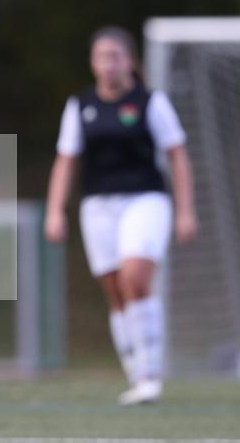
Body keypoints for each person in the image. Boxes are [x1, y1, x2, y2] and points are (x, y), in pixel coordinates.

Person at [44, 26, 197, 405]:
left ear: (130, 61)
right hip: (98, 207)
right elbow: (66, 160)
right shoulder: (80, 105)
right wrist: (55, 210)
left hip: (145, 200)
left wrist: (185, 210)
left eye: (115, 56)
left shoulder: (150, 102)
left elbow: (177, 155)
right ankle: (135, 370)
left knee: (136, 277)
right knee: (115, 290)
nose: (108, 64)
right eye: (102, 57)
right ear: (93, 62)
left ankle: (151, 374)